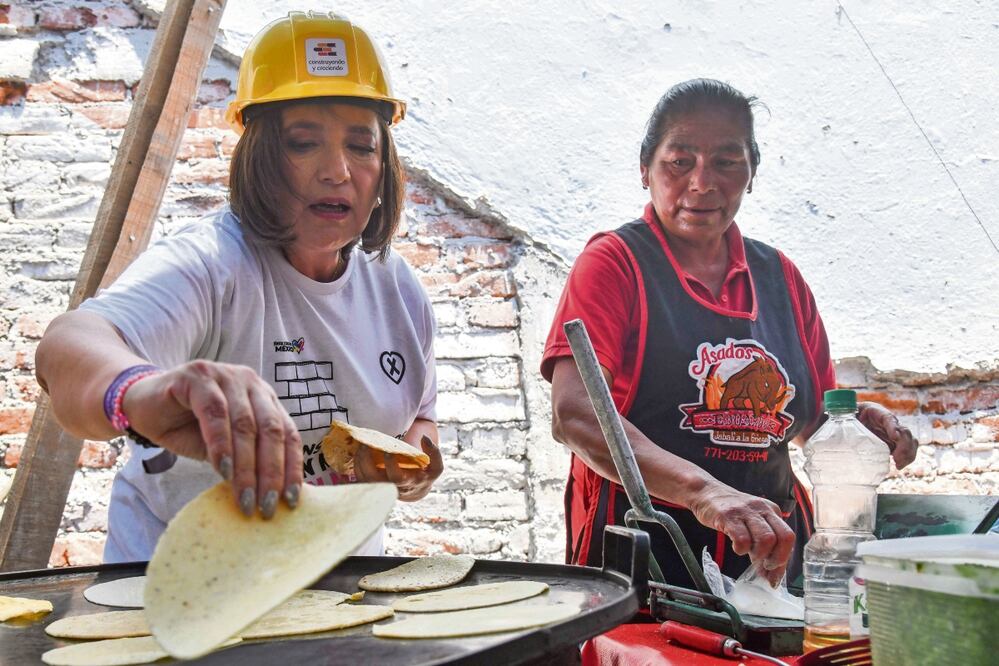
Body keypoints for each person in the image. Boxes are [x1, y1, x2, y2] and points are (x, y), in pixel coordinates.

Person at [35, 12, 443, 563]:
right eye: (303, 143)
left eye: (361, 145)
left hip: (339, 595)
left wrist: (412, 461)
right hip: (183, 601)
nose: (337, 170)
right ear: (259, 159)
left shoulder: (398, 290)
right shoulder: (209, 264)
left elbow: (418, 417)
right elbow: (66, 347)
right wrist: (138, 391)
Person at [542, 79, 917, 589]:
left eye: (726, 162)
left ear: (751, 174)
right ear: (645, 168)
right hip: (648, 556)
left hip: (774, 554)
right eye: (680, 161)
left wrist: (858, 424)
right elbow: (576, 415)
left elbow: (812, 420)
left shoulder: (780, 278)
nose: (701, 183)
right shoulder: (613, 264)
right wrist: (705, 493)